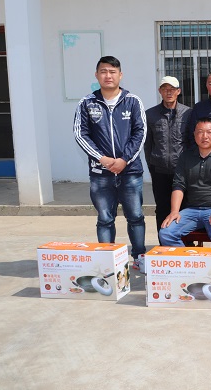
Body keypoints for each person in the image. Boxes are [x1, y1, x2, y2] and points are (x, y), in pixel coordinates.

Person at [73, 56, 147, 271]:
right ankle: (108, 261)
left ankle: (139, 257)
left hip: (130, 171)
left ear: (120, 75)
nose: (108, 76)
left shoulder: (133, 101)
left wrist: (124, 160)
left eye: (112, 72)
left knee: (136, 217)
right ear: (96, 75)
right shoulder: (87, 103)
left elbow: (140, 133)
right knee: (105, 219)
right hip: (100, 173)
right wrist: (102, 159)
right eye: (103, 71)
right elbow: (80, 134)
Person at [158, 117, 211, 248]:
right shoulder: (185, 156)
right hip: (191, 210)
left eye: (209, 132)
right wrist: (174, 211)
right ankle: (189, 259)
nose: (204, 136)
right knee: (166, 233)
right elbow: (178, 185)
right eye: (200, 132)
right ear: (194, 135)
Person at [144, 76, 192, 241]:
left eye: (172, 89)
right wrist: (152, 166)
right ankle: (164, 243)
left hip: (183, 170)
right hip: (160, 170)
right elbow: (148, 145)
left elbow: (191, 142)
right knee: (162, 208)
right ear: (160, 91)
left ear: (178, 91)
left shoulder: (188, 113)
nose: (169, 92)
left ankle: (186, 243)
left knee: (184, 208)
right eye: (165, 89)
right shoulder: (150, 115)